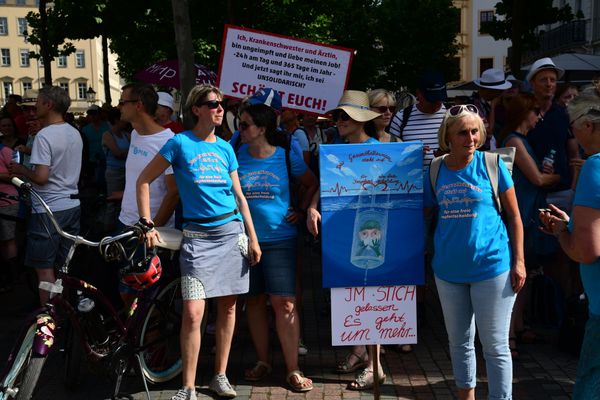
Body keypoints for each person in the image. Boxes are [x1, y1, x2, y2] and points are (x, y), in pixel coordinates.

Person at [137, 84, 261, 400]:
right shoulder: (179, 143)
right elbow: (144, 181)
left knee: (228, 309)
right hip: (197, 240)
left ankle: (220, 375)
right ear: (196, 109)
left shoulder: (226, 148)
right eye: (213, 104)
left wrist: (253, 238)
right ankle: (188, 387)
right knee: (193, 313)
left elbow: (239, 197)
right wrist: (147, 224)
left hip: (231, 235)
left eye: (222, 104)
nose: (220, 108)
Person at [424, 104, 525, 399]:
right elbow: (428, 213)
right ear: (448, 137)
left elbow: (515, 217)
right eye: (462, 133)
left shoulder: (492, 165)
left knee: (495, 346)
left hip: (492, 268)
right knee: (459, 343)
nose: (470, 138)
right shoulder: (435, 169)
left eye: (474, 132)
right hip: (448, 271)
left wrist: (519, 261)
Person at [306, 90, 385, 391]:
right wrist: (313, 206)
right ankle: (359, 351)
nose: (338, 121)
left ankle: (375, 365)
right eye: (337, 116)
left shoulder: (378, 150)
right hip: (341, 232)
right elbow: (325, 184)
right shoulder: (335, 150)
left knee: (370, 297)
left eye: (344, 116)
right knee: (349, 295)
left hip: (368, 232)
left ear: (359, 120)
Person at [236, 103, 317, 392]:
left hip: (281, 239)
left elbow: (311, 182)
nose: (240, 130)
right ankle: (263, 361)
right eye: (239, 124)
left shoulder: (284, 157)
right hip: (246, 240)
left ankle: (293, 368)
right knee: (255, 301)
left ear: (263, 128)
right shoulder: (236, 157)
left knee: (285, 302)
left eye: (245, 125)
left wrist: (302, 207)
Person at [539, 84, 600, 399]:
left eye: (574, 128)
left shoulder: (595, 166)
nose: (573, 137)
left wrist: (561, 232)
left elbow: (586, 251)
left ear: (588, 126)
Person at [498, 93, 560, 357]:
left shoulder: (520, 140)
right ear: (525, 113)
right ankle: (509, 333)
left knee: (527, 272)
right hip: (521, 213)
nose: (540, 116)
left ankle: (519, 326)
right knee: (517, 274)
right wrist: (562, 175)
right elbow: (537, 179)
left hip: (528, 212)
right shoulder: (514, 140)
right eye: (536, 112)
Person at [9, 86, 83, 306]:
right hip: (72, 205)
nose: (34, 108)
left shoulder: (44, 135)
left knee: (44, 270)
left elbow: (41, 177)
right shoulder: (74, 131)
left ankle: (49, 320)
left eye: (38, 103)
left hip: (48, 209)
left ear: (49, 105)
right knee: (62, 268)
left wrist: (22, 171)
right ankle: (64, 314)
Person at [388, 70, 447, 167]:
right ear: (418, 93)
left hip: (443, 180)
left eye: (440, 98)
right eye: (431, 100)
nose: (437, 103)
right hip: (411, 180)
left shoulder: (452, 116)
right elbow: (390, 155)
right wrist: (411, 154)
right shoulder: (401, 117)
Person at [101, 107, 130, 231]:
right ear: (116, 120)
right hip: (114, 173)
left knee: (124, 203)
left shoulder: (126, 134)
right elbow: (117, 153)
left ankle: (119, 229)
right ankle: (107, 231)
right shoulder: (107, 135)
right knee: (112, 203)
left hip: (126, 172)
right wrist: (131, 152)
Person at [470, 68, 513, 150]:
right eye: (499, 91)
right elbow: (488, 131)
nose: (501, 94)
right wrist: (493, 106)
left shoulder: (485, 103)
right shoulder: (474, 106)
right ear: (490, 90)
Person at [82, 104, 111, 191]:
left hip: (106, 160)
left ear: (99, 114)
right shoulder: (85, 129)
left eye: (94, 113)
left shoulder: (107, 126)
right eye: (90, 114)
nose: (92, 116)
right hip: (91, 161)